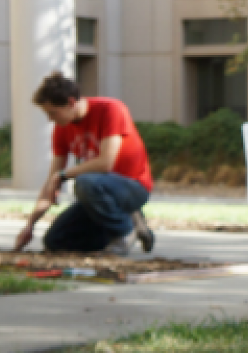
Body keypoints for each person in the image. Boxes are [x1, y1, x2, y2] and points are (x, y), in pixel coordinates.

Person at [14, 72, 156, 255]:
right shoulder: (62, 129)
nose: (50, 119)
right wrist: (30, 226)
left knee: (85, 182)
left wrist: (65, 175)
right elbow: (52, 181)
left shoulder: (111, 109)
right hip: (100, 191)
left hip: (133, 187)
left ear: (71, 103)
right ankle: (125, 226)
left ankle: (124, 232)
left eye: (53, 113)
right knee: (56, 241)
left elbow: (106, 163)